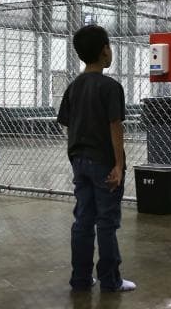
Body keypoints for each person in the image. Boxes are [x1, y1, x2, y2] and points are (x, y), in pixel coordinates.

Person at [58, 25, 135, 294]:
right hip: (104, 162)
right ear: (105, 51)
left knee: (83, 219)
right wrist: (118, 165)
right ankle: (110, 280)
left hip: (79, 160)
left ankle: (80, 278)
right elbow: (116, 128)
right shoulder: (110, 87)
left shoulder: (74, 86)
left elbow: (68, 122)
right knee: (107, 221)